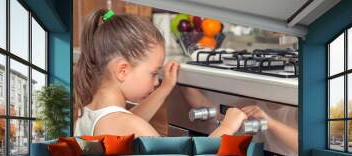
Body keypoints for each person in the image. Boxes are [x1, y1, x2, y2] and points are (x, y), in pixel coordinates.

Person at [74, 9, 247, 137]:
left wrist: (165, 88)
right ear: (123, 70)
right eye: (153, 73)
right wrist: (226, 128)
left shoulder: (90, 112)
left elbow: (131, 119)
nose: (156, 81)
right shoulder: (127, 124)